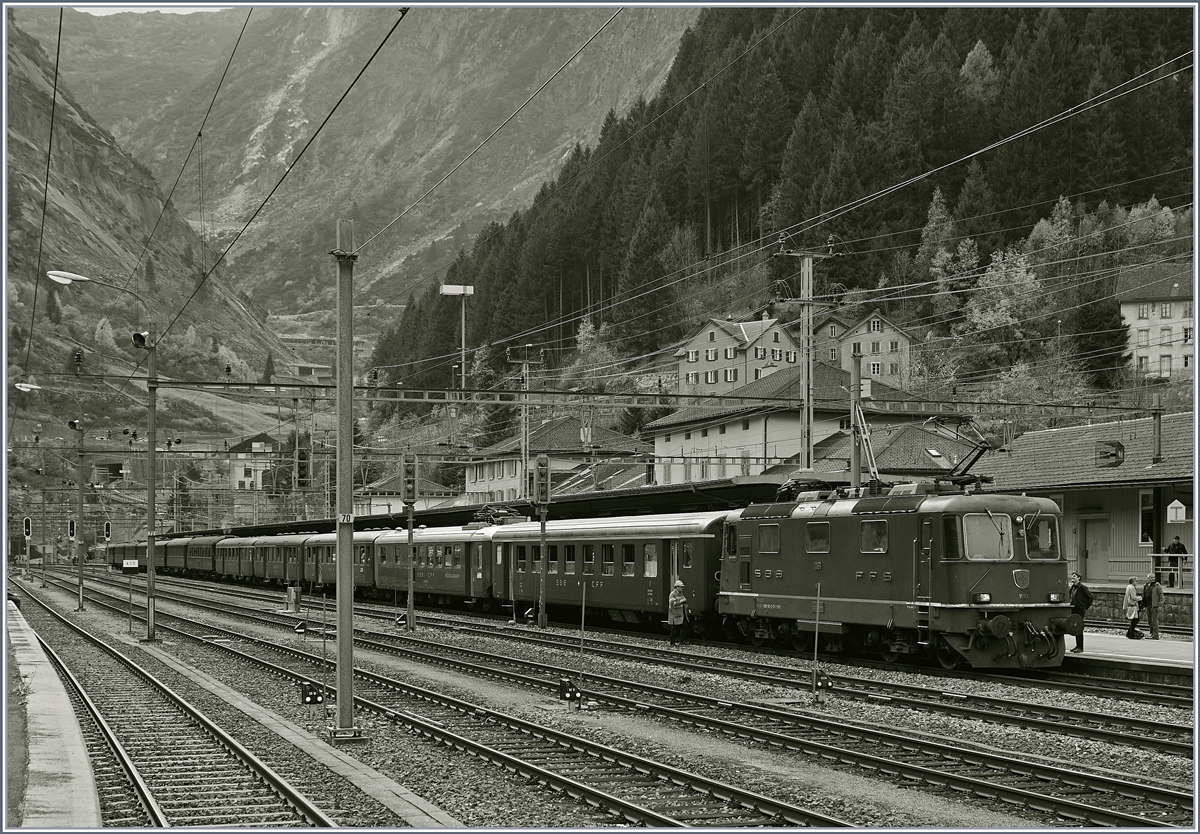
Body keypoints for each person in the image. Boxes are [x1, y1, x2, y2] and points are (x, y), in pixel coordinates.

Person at [1067, 572, 1092, 653]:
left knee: (1078, 627)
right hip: (1073, 609)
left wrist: (1085, 607)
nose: (1072, 577)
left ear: (1078, 578)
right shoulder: (1073, 587)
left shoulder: (1082, 588)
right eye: (1072, 576)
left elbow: (1090, 597)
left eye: (1074, 576)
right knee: (1075, 627)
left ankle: (1080, 647)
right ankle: (1077, 646)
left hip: (1079, 609)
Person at [1142, 572, 1164, 639]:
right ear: (1148, 578)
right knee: (1149, 621)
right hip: (1148, 605)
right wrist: (1143, 605)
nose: (1152, 579)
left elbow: (1161, 595)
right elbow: (1144, 595)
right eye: (1151, 577)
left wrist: (1160, 605)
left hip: (1154, 606)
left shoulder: (1157, 585)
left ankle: (1156, 635)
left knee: (1154, 621)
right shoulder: (1145, 586)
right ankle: (1152, 633)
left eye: (1153, 577)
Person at [667, 579, 688, 646]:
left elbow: (684, 599)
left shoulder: (681, 594)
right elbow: (672, 603)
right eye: (681, 587)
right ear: (677, 587)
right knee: (675, 628)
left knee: (685, 626)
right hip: (675, 614)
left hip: (681, 614)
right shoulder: (672, 594)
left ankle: (682, 640)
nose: (682, 588)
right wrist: (681, 601)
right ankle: (672, 642)